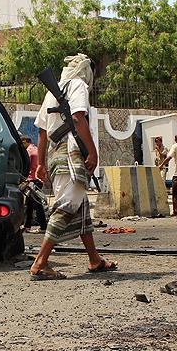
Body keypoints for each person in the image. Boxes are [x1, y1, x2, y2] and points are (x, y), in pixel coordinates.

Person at [28, 53, 115, 280]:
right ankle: (40, 263)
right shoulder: (78, 85)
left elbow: (42, 133)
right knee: (67, 206)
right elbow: (77, 118)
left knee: (80, 206)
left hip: (56, 154)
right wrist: (93, 152)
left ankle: (94, 259)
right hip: (71, 153)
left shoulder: (52, 92)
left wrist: (42, 164)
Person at [22, 135, 46, 233]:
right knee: (29, 204)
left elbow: (26, 166)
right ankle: (27, 225)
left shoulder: (29, 151)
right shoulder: (36, 149)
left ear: (25, 141)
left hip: (32, 180)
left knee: (36, 204)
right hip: (37, 180)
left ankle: (43, 226)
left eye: (22, 143)